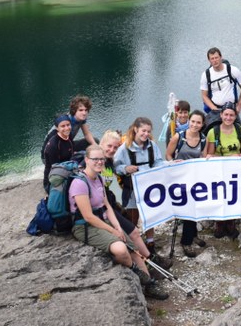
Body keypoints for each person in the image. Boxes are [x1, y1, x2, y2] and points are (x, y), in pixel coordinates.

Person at [69, 145, 168, 300]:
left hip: (103, 220)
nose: (99, 162)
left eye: (101, 159)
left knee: (133, 249)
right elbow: (88, 216)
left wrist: (117, 226)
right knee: (122, 249)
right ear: (87, 160)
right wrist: (114, 232)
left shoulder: (99, 178)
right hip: (85, 226)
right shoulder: (80, 184)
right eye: (95, 159)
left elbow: (107, 206)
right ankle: (138, 273)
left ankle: (149, 285)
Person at [97, 129, 153, 261]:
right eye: (109, 146)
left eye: (115, 148)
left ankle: (146, 256)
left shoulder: (109, 162)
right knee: (132, 231)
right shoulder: (95, 162)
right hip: (99, 207)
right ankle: (148, 258)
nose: (112, 150)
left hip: (107, 202)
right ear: (101, 144)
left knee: (129, 224)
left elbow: (108, 184)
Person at [113, 117, 164, 250]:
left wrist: (168, 165)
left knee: (150, 214)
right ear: (135, 129)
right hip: (131, 189)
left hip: (149, 187)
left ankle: (150, 241)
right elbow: (116, 166)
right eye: (143, 131)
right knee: (132, 217)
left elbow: (158, 162)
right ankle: (132, 243)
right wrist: (125, 168)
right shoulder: (124, 148)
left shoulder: (152, 145)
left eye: (148, 131)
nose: (146, 134)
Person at [165, 110, 209, 257]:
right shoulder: (179, 136)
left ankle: (193, 234)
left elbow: (203, 157)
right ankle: (186, 241)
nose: (195, 125)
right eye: (193, 121)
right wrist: (173, 163)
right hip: (180, 178)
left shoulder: (203, 139)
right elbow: (168, 154)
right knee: (188, 209)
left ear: (203, 124)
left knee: (195, 208)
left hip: (195, 179)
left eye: (198, 122)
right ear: (189, 121)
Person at [206, 103, 241, 239]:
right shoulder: (213, 132)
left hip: (235, 169)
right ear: (221, 115)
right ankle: (219, 222)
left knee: (233, 195)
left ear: (235, 116)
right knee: (219, 195)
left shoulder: (240, 130)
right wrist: (228, 157)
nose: (228, 117)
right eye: (226, 114)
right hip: (219, 169)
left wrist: (240, 156)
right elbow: (210, 154)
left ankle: (231, 222)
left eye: (231, 115)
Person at [200, 47, 241, 129]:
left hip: (231, 109)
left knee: (239, 132)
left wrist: (239, 106)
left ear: (221, 57)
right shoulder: (206, 75)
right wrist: (214, 109)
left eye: (216, 57)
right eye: (212, 58)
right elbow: (204, 95)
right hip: (216, 109)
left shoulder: (232, 70)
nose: (215, 60)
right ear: (209, 60)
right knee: (210, 133)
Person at [42, 114, 75, 193]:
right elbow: (55, 169)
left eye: (68, 125)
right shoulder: (53, 145)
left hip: (66, 167)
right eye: (63, 126)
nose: (66, 128)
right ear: (57, 128)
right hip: (53, 178)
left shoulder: (69, 135)